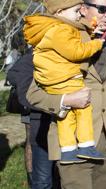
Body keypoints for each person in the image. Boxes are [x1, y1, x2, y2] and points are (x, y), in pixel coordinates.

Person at [27, 0, 106, 189]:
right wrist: (65, 101)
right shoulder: (61, 36)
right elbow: (33, 93)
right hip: (73, 143)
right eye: (101, 9)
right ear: (82, 9)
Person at [23, 0, 106, 163]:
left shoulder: (57, 29)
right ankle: (85, 146)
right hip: (66, 80)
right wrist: (97, 44)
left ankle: (69, 150)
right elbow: (76, 51)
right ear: (60, 11)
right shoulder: (61, 30)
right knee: (83, 110)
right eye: (102, 9)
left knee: (66, 117)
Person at [7, 47, 60, 189]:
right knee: (41, 177)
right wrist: (35, 90)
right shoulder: (37, 51)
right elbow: (12, 75)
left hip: (60, 119)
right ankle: (32, 178)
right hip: (37, 114)